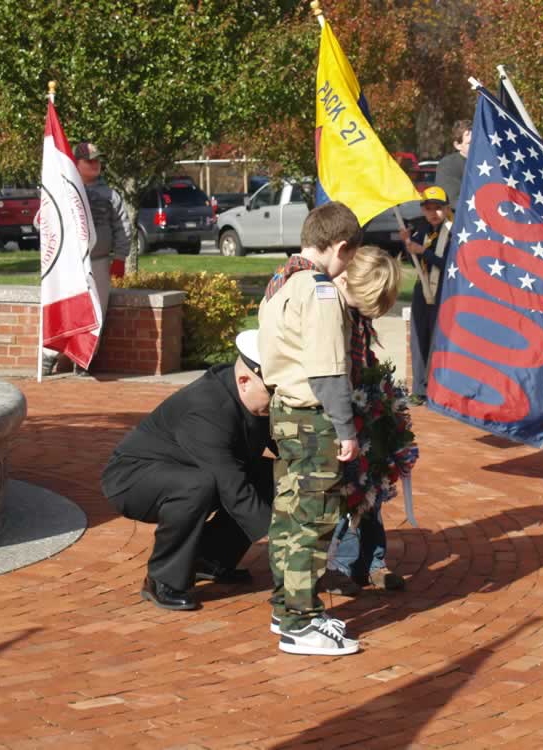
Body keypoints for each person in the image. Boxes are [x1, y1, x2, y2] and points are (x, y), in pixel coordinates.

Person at [100, 330, 274, 611]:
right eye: (273, 391)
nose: (277, 400)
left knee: (270, 475)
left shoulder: (252, 397)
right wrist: (279, 537)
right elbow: (231, 483)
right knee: (198, 486)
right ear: (244, 380)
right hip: (133, 478)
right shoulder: (207, 408)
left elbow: (282, 446)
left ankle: (210, 559)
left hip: (191, 471)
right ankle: (162, 580)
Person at [258, 201, 363, 656]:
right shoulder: (318, 290)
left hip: (285, 412)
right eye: (350, 257)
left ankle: (288, 607)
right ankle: (301, 624)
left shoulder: (280, 280)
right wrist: (346, 428)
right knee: (313, 521)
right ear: (340, 246)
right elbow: (328, 369)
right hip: (313, 417)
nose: (348, 267)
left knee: (288, 516)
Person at [319, 246, 405, 595]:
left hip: (363, 407)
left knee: (373, 488)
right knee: (348, 492)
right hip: (341, 414)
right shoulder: (333, 310)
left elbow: (362, 357)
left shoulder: (358, 315)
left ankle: (373, 562)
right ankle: (340, 564)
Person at [42, 142, 132, 376]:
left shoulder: (111, 195)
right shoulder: (62, 190)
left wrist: (120, 257)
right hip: (67, 263)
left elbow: (122, 227)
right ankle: (49, 355)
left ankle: (84, 358)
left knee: (95, 311)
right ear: (76, 163)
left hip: (98, 261)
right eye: (89, 160)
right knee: (63, 307)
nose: (95, 164)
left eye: (97, 160)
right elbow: (44, 220)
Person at [399, 185, 453, 404]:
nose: (433, 213)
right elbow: (409, 257)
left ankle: (436, 389)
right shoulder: (421, 229)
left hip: (443, 290)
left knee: (437, 340)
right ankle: (419, 389)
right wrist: (407, 243)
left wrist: (425, 252)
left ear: (447, 208)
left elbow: (451, 264)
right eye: (428, 208)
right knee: (419, 337)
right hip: (422, 289)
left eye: (438, 208)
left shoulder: (454, 231)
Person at [434, 119, 472, 207]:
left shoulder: (492, 162)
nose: (476, 146)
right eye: (470, 143)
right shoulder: (448, 165)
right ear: (457, 145)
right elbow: (452, 201)